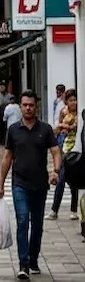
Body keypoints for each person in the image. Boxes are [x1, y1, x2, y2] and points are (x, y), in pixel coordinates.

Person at [0, 89, 63, 281]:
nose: (28, 108)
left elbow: (56, 152)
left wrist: (56, 171)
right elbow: (7, 157)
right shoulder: (14, 130)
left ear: (36, 106)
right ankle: (23, 263)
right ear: (20, 106)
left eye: (31, 105)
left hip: (40, 184)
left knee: (38, 224)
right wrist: (1, 184)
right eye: (24, 105)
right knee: (23, 220)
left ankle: (33, 259)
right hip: (19, 183)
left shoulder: (45, 129)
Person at [51, 89, 79, 221]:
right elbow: (59, 127)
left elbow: (75, 126)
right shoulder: (64, 111)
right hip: (66, 147)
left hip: (78, 148)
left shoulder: (80, 112)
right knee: (61, 179)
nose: (73, 102)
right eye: (71, 100)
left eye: (75, 99)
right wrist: (65, 127)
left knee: (74, 181)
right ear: (66, 101)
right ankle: (54, 210)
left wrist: (66, 127)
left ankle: (73, 210)